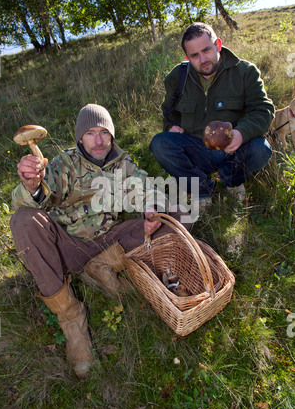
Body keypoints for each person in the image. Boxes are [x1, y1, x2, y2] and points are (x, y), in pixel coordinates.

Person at [10, 104, 189, 379]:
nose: (98, 140)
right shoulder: (64, 163)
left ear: (112, 135)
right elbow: (42, 194)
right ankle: (72, 322)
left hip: (109, 242)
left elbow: (146, 188)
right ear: (79, 138)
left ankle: (101, 268)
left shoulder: (122, 162)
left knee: (177, 213)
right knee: (23, 220)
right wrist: (33, 186)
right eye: (90, 133)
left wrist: (153, 207)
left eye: (104, 132)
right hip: (68, 248)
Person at [150, 22, 275, 211]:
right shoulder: (178, 77)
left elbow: (263, 110)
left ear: (218, 44)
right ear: (188, 57)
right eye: (195, 55)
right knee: (159, 143)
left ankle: (232, 179)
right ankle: (202, 189)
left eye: (206, 50)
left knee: (261, 148)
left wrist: (241, 133)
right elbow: (169, 112)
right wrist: (171, 126)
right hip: (196, 148)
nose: (203, 59)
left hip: (233, 148)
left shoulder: (245, 72)